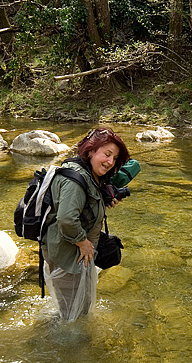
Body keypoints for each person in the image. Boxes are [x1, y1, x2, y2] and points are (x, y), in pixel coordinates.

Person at [41, 127, 130, 321]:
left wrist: (103, 200)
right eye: (107, 154)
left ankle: (68, 341)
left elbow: (81, 208)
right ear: (90, 151)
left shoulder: (90, 175)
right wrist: (83, 242)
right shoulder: (75, 179)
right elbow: (66, 219)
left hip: (72, 253)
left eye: (114, 158)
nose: (110, 162)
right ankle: (64, 347)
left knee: (77, 309)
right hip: (66, 255)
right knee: (72, 315)